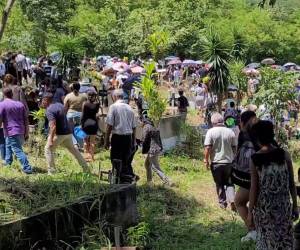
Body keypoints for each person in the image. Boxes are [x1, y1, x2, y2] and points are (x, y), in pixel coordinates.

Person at [248, 120, 298, 250]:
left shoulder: (255, 159)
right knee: (285, 241)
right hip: (284, 207)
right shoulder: (284, 154)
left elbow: (254, 188)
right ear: (272, 135)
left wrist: (249, 213)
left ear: (257, 137)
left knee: (267, 242)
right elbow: (291, 183)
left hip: (265, 209)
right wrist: (295, 206)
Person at [42, 92, 89, 175]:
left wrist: (50, 140)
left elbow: (53, 126)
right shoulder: (60, 105)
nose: (42, 102)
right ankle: (86, 168)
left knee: (48, 149)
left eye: (43, 100)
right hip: (68, 132)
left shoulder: (49, 110)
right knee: (74, 150)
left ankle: (52, 172)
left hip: (59, 134)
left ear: (46, 100)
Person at [232, 111, 257, 243]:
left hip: (248, 178)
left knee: (239, 202)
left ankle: (253, 230)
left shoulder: (244, 135)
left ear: (242, 122)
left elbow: (238, 156)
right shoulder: (261, 132)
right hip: (264, 176)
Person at [204, 113, 237, 209]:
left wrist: (206, 160)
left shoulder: (210, 132)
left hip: (216, 163)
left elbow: (207, 148)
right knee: (230, 182)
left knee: (219, 183)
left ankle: (222, 203)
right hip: (229, 163)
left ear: (213, 122)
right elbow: (234, 148)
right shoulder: (230, 132)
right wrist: (234, 159)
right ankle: (232, 200)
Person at [105, 89, 137, 183]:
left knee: (115, 159)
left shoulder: (113, 107)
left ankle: (117, 179)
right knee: (125, 160)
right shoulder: (129, 108)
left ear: (114, 97)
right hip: (128, 137)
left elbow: (109, 125)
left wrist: (106, 140)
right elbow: (134, 127)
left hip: (117, 137)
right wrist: (133, 141)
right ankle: (124, 179)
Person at [0, 87, 33, 174]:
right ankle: (8, 163)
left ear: (4, 95)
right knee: (8, 145)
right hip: (20, 130)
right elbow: (26, 118)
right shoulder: (20, 104)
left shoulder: (2, 104)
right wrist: (27, 131)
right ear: (12, 94)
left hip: (11, 130)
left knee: (17, 150)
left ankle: (27, 168)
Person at [142, 117, 171, 185]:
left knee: (155, 167)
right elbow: (159, 139)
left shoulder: (146, 127)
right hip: (156, 149)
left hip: (152, 150)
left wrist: (143, 150)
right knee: (147, 164)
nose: (139, 123)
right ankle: (149, 182)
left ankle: (168, 181)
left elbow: (144, 140)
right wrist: (160, 148)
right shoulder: (153, 126)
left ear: (143, 121)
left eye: (140, 122)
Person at [64, 82, 87, 147]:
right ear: (79, 88)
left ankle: (75, 143)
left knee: (70, 130)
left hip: (70, 114)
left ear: (72, 88)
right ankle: (81, 144)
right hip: (80, 114)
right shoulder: (84, 96)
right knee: (79, 129)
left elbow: (65, 107)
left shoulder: (68, 96)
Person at [81, 90, 100, 162]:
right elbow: (97, 112)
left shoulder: (85, 104)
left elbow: (83, 115)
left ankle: (85, 156)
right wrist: (97, 97)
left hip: (86, 123)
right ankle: (92, 157)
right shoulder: (97, 104)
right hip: (94, 123)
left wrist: (81, 124)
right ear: (94, 96)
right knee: (92, 142)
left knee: (85, 141)